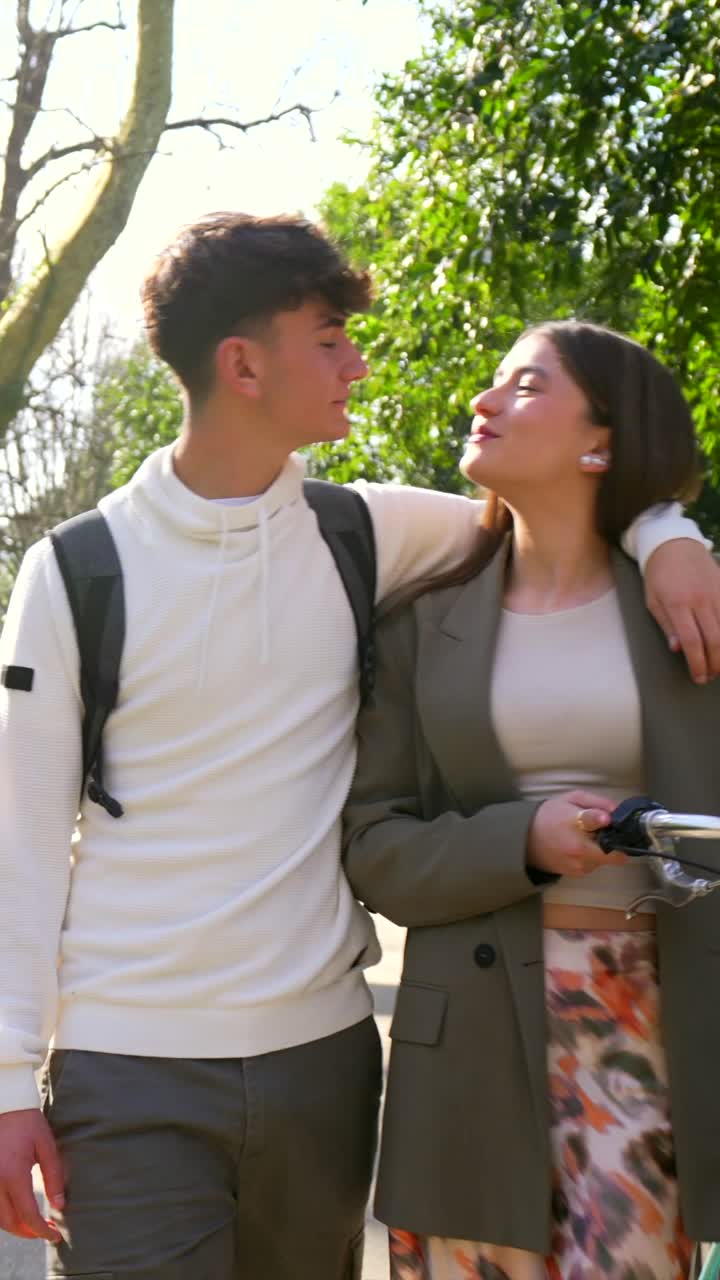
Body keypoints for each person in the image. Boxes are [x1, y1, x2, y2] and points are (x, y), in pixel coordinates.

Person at [0, 220, 717, 1280]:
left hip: (324, 1065)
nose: (359, 364)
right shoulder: (74, 573)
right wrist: (10, 1083)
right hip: (129, 1063)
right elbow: (14, 840)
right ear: (243, 364)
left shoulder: (364, 535)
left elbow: (550, 514)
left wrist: (669, 534)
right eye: (332, 339)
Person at [342, 320, 720, 1280]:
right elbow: (375, 846)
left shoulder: (690, 604)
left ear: (602, 442)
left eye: (525, 386)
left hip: (656, 1026)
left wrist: (670, 532)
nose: (483, 400)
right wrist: (523, 841)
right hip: (469, 1041)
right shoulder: (421, 621)